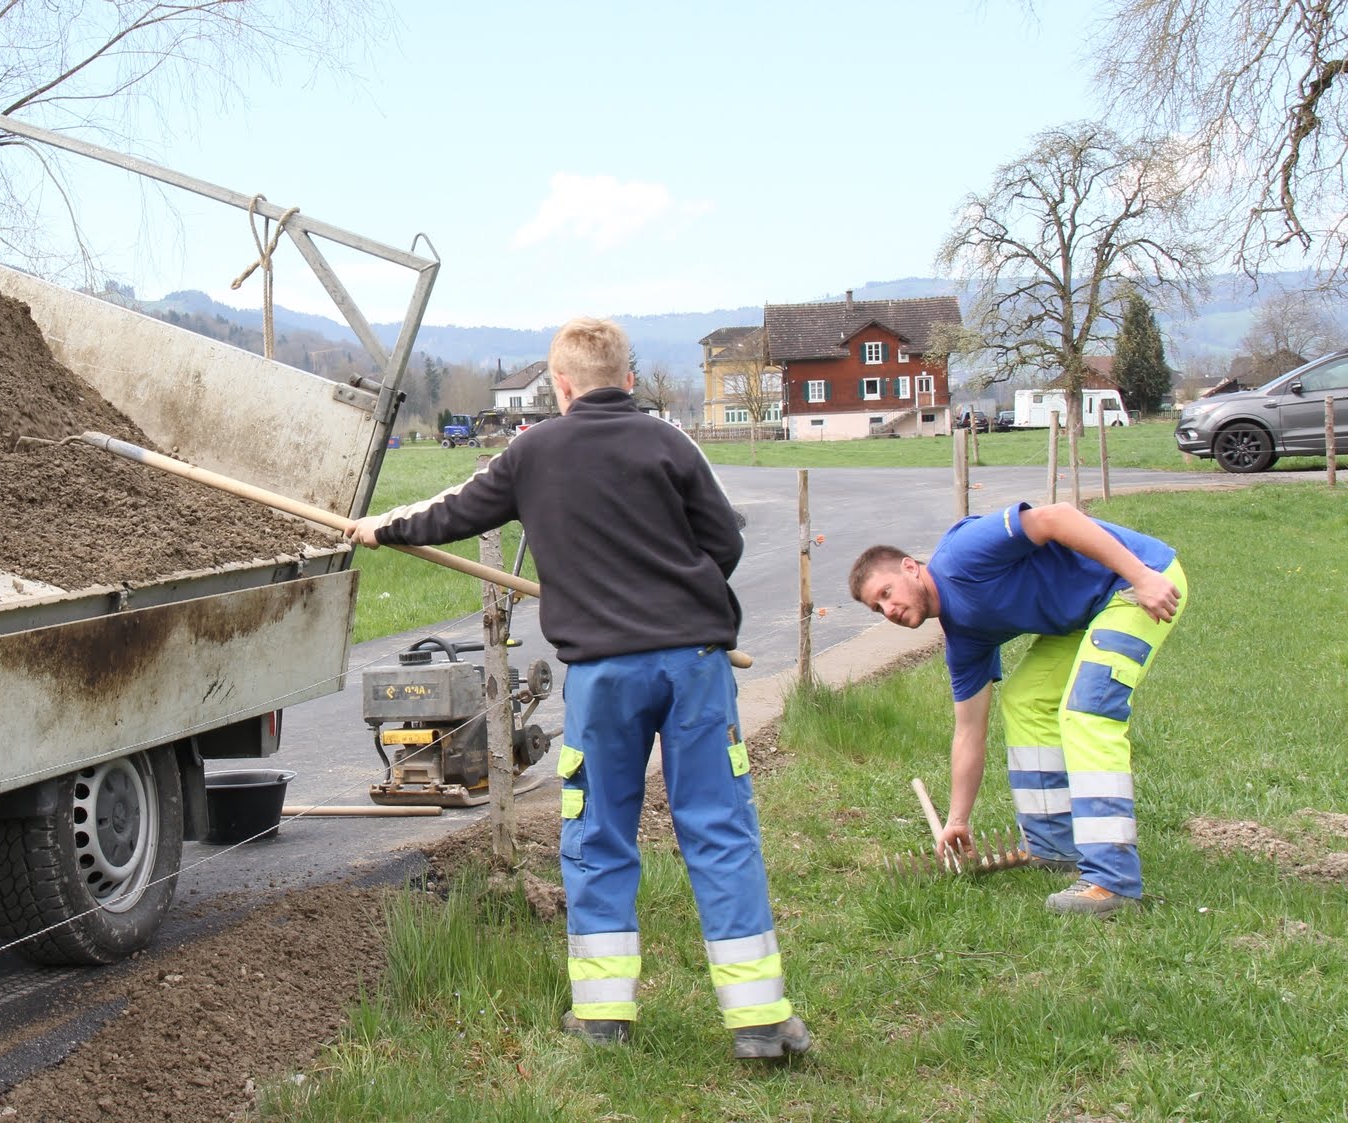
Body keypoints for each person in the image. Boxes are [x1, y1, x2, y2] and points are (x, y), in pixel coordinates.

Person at [348, 318, 808, 1058]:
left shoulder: (531, 452)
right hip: (694, 665)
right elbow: (724, 541)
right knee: (719, 827)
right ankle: (758, 1021)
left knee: (597, 833)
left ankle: (602, 1019)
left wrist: (380, 528)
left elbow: (451, 512)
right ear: (629, 379)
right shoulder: (670, 443)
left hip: (603, 676)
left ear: (559, 386)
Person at [848, 503, 1186, 916]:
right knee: (1026, 699)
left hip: (1137, 582)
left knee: (1087, 712)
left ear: (910, 567)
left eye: (886, 593)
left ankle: (1111, 882)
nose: (889, 611)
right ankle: (1055, 846)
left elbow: (1055, 517)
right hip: (1085, 614)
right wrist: (958, 819)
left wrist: (1141, 576)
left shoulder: (962, 556)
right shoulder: (964, 640)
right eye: (877, 609)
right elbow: (968, 731)